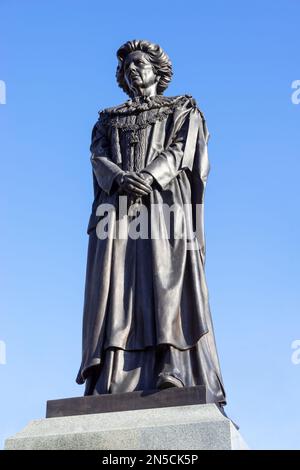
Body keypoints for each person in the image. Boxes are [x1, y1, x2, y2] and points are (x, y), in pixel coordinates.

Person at [76, 39, 226, 406]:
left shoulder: (182, 109)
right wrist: (118, 178)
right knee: (116, 288)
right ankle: (110, 374)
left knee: (165, 282)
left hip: (164, 205)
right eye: (127, 65)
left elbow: (181, 150)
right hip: (119, 210)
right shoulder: (108, 119)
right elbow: (97, 157)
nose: (132, 69)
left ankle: (170, 364)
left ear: (158, 71)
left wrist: (149, 175)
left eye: (140, 63)